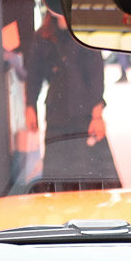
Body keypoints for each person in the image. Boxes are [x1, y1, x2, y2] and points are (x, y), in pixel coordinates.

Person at [25, 12, 121, 190]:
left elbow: (96, 76)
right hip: (56, 113)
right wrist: (30, 106)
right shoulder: (43, 35)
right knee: (58, 175)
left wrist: (97, 116)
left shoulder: (85, 33)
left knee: (88, 173)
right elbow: (34, 74)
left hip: (83, 113)